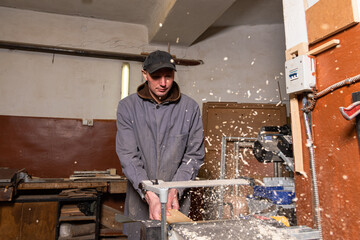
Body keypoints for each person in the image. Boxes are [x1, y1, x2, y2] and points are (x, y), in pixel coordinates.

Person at [116, 50, 205, 239]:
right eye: (156, 77)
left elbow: (194, 156)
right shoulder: (127, 107)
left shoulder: (190, 108)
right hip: (140, 199)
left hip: (175, 201)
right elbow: (128, 156)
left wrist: (175, 190)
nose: (163, 83)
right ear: (144, 74)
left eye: (168, 76)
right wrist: (149, 193)